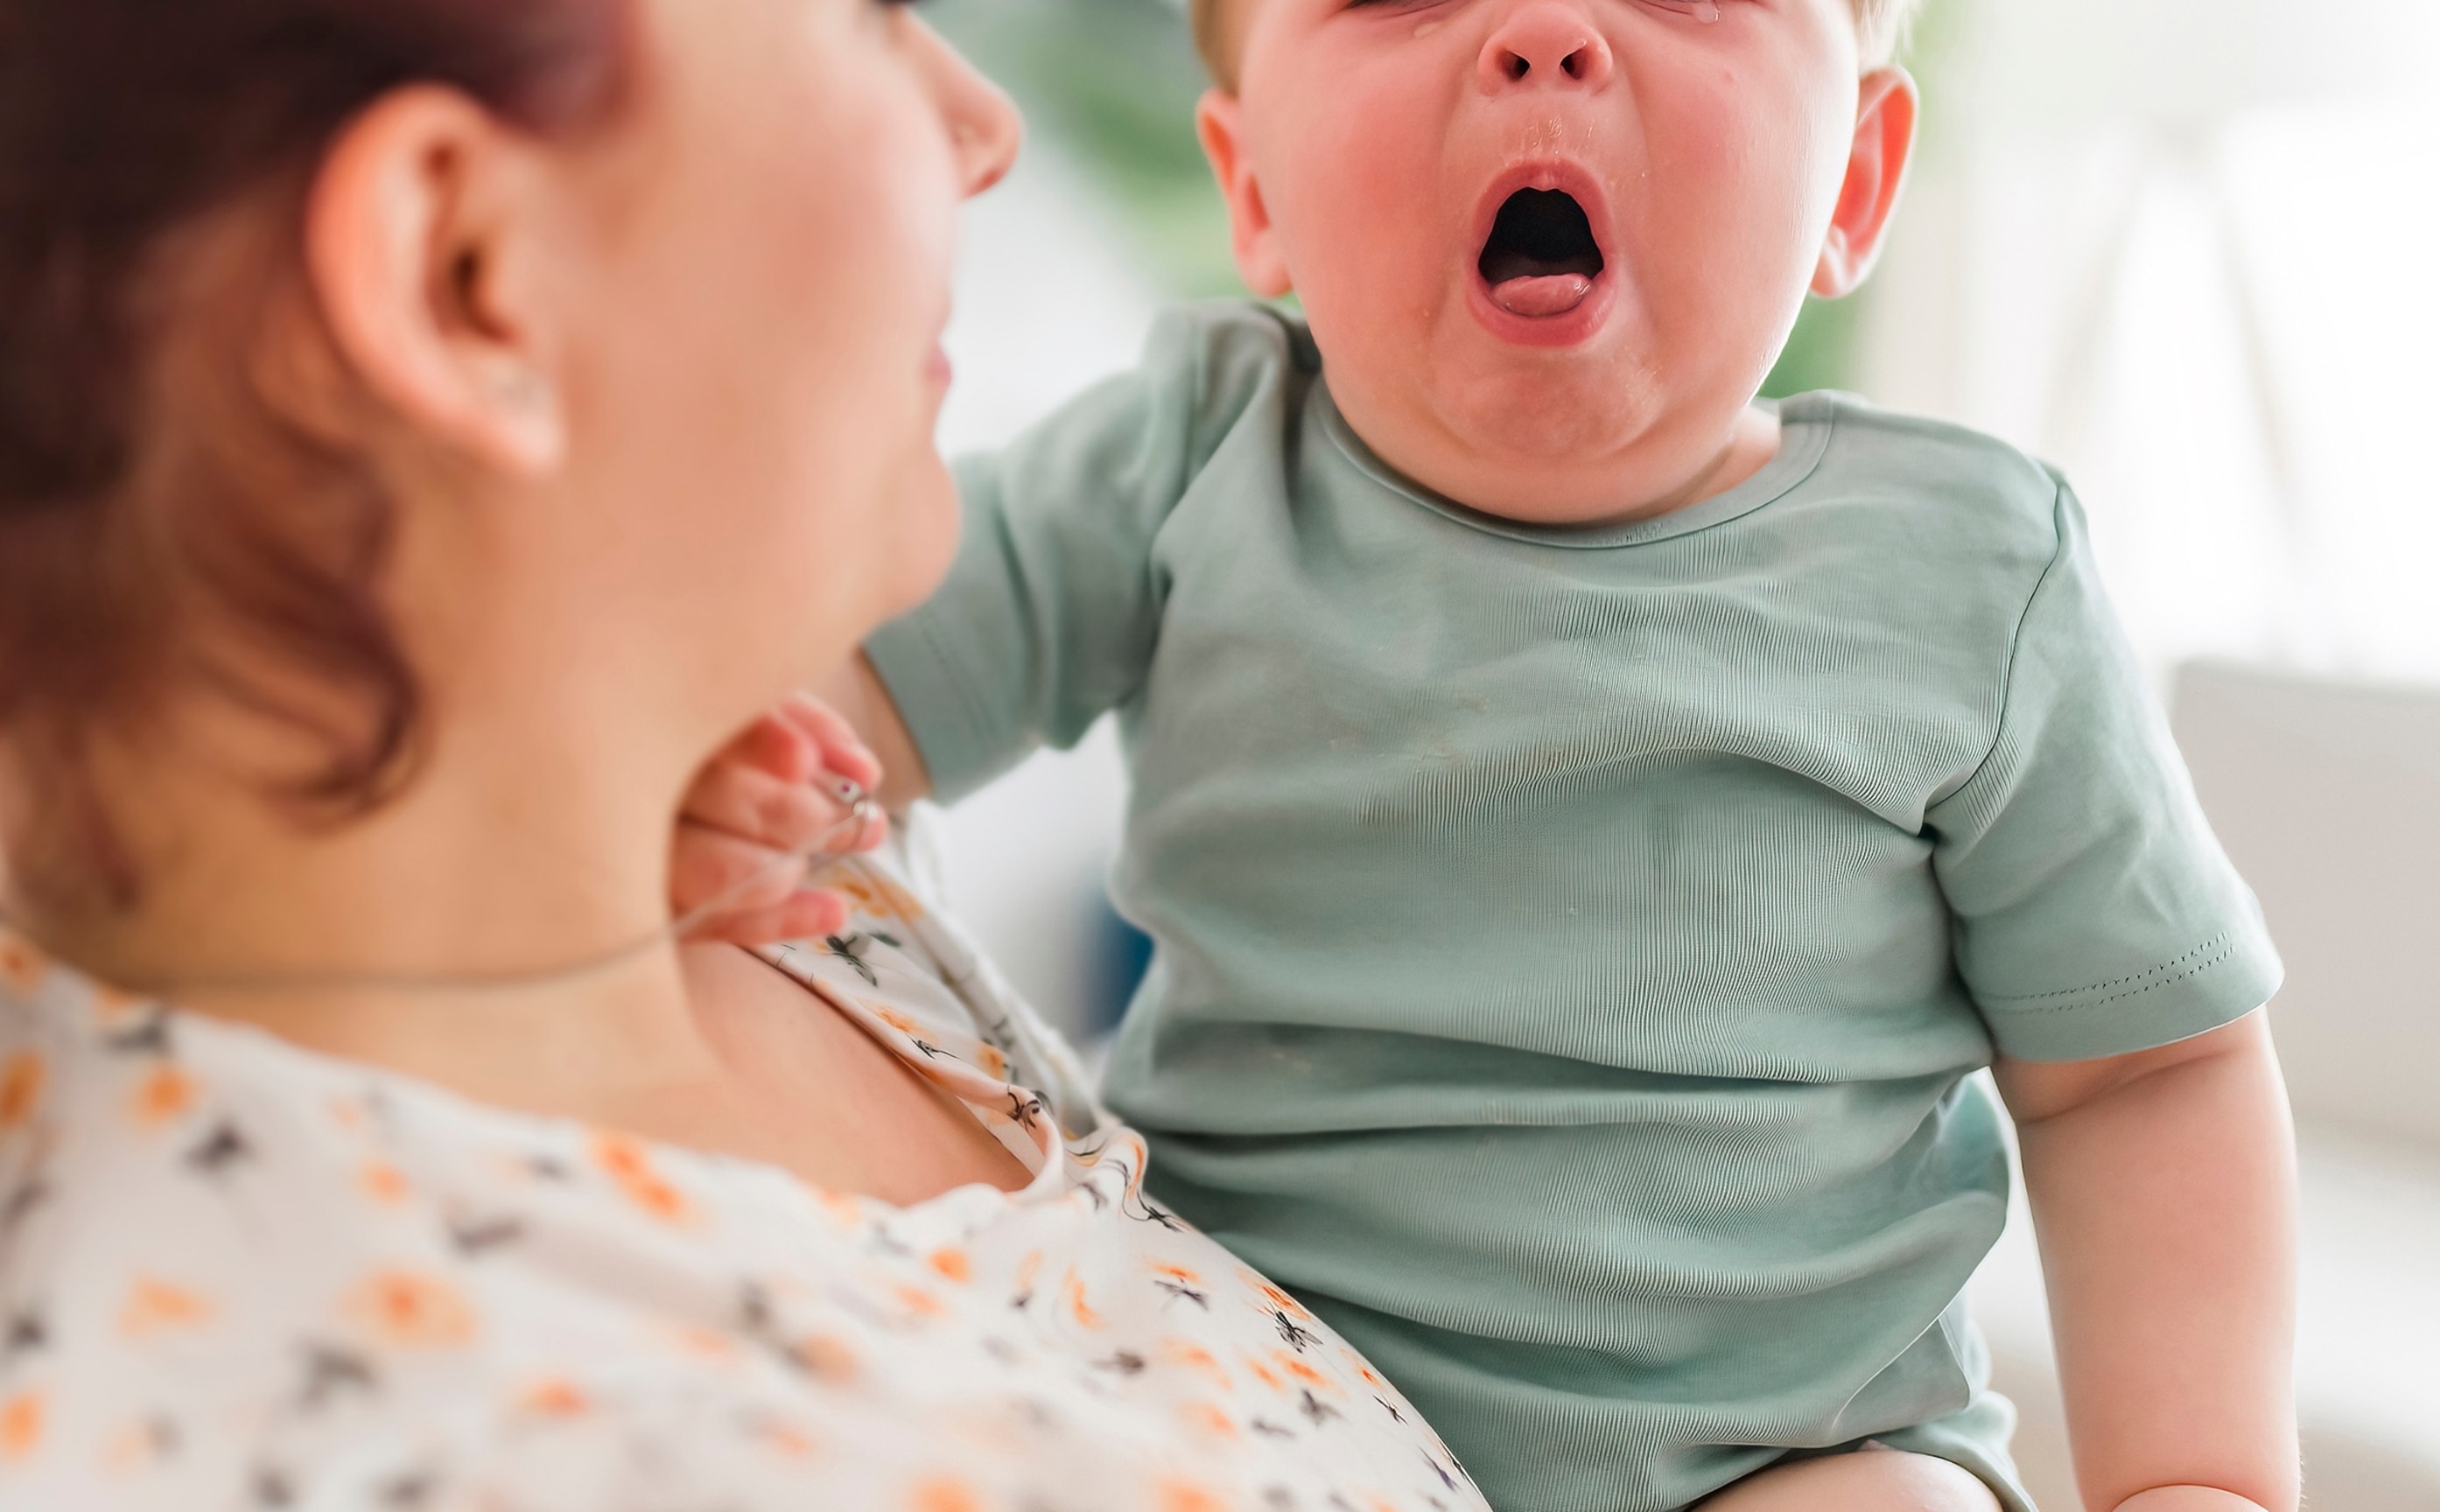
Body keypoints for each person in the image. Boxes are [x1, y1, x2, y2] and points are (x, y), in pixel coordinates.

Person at [686, 1, 2305, 1509]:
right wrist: (725, 776)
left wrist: (2196, 1480)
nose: (1541, 38)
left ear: (1856, 183)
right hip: (1249, 1402)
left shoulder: (1971, 572)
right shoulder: (1188, 458)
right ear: (1254, 188)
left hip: (1792, 1455)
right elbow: (856, 696)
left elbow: (2146, 1074)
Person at [0, 4, 1485, 1509]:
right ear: (468, 277)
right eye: (868, 18)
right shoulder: (542, 1445)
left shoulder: (732, 870)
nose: (984, 129)